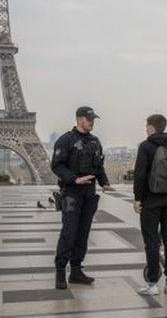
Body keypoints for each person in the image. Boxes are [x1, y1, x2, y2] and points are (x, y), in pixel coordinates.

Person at [51, 106, 112, 290]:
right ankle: (60, 271)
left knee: (83, 234)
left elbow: (99, 165)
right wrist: (75, 179)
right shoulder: (65, 140)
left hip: (89, 194)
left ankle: (76, 271)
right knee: (69, 233)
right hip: (71, 193)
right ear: (78, 119)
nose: (92, 122)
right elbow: (57, 165)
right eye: (88, 118)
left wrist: (104, 183)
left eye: (93, 119)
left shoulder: (95, 141)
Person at [133, 114, 167, 296]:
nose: (145, 128)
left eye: (147, 125)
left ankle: (153, 284)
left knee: (152, 242)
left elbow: (139, 175)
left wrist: (138, 198)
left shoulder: (145, 146)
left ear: (152, 127)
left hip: (150, 201)